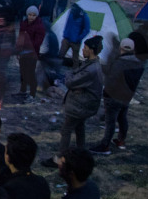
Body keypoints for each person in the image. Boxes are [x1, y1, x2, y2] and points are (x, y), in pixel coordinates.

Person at [43, 36, 104, 168]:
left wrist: (69, 76)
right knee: (79, 127)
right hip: (84, 104)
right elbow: (74, 74)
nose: (83, 50)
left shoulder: (90, 69)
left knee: (66, 130)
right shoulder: (92, 64)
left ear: (92, 50)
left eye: (86, 48)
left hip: (80, 105)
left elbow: (70, 81)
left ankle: (59, 159)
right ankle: (81, 153)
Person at [90, 38, 144, 155]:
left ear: (121, 48)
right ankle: (121, 140)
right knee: (122, 118)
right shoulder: (139, 63)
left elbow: (111, 78)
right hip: (127, 96)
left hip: (114, 95)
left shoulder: (120, 63)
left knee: (110, 122)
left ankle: (105, 146)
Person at [16, 6, 45, 100]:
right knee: (22, 72)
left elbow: (38, 42)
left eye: (33, 15)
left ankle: (32, 93)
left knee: (31, 73)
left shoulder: (39, 27)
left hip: (32, 54)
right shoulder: (24, 24)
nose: (31, 17)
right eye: (30, 15)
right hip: (23, 52)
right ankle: (22, 90)